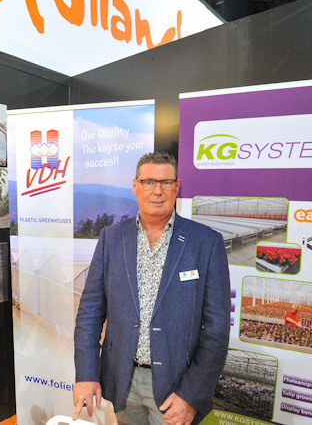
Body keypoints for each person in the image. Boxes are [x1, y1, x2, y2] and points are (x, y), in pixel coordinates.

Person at [73, 152, 231, 425]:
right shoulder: (111, 238)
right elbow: (89, 313)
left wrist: (191, 395)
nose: (158, 191)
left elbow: (216, 330)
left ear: (177, 187)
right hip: (122, 381)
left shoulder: (207, 243)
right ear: (135, 186)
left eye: (166, 182)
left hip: (177, 388)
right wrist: (86, 374)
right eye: (148, 182)